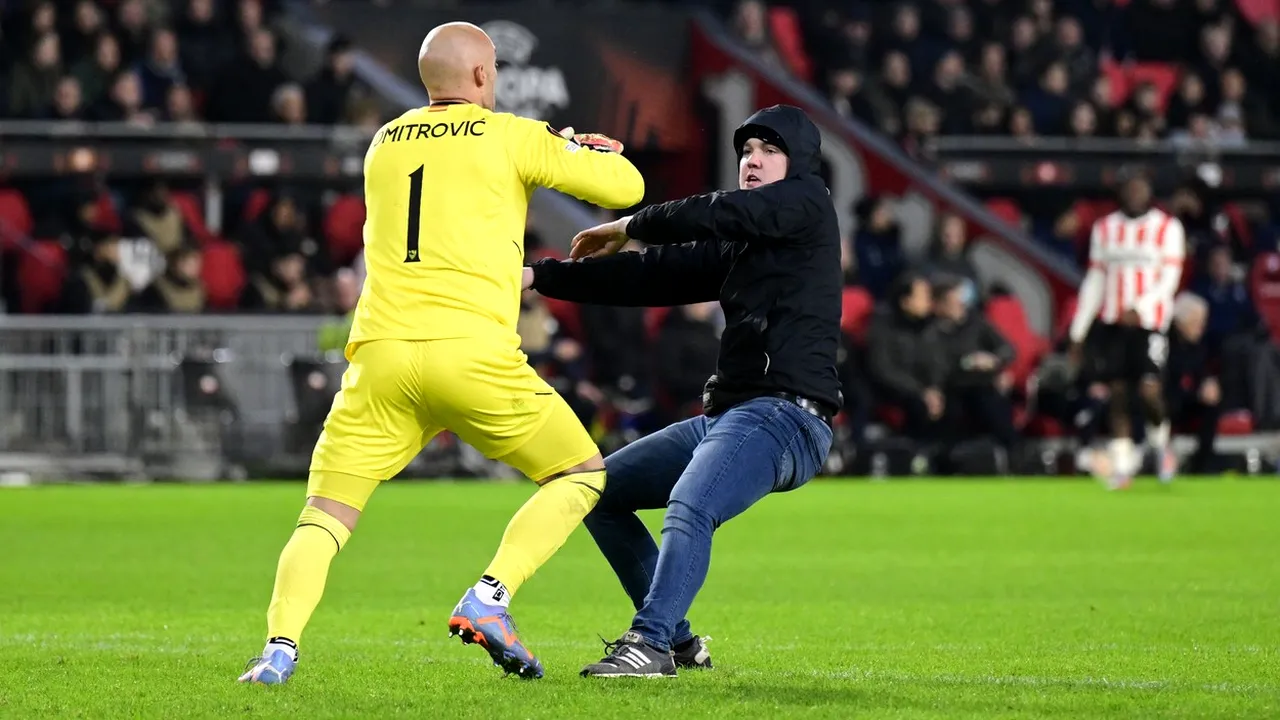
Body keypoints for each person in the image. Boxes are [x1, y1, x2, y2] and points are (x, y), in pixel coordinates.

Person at [237, 21, 644, 685]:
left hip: (382, 359)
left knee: (325, 516)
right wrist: (581, 148)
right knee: (580, 473)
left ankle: (278, 650)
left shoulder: (384, 143)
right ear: (484, 77)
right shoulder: (511, 135)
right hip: (471, 356)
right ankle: (490, 597)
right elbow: (624, 189)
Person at [524, 104, 840, 677]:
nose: (753, 159)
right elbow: (652, 275)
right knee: (597, 492)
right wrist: (541, 275)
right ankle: (676, 642)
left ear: (799, 163)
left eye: (769, 150)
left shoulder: (808, 202)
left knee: (690, 503)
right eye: (747, 151)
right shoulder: (745, 240)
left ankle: (647, 641)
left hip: (787, 416)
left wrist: (627, 224)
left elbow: (714, 212)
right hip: (733, 417)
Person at [1068, 172, 1185, 489]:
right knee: (1117, 394)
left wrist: (1142, 307)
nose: (1135, 194)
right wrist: (1078, 331)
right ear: (1121, 193)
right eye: (1129, 189)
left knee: (1149, 390)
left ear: (1149, 191)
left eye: (1141, 188)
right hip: (1112, 323)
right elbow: (1095, 281)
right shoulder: (1105, 228)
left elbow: (1170, 277)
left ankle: (1160, 446)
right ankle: (1122, 465)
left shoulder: (1167, 228)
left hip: (1151, 324)